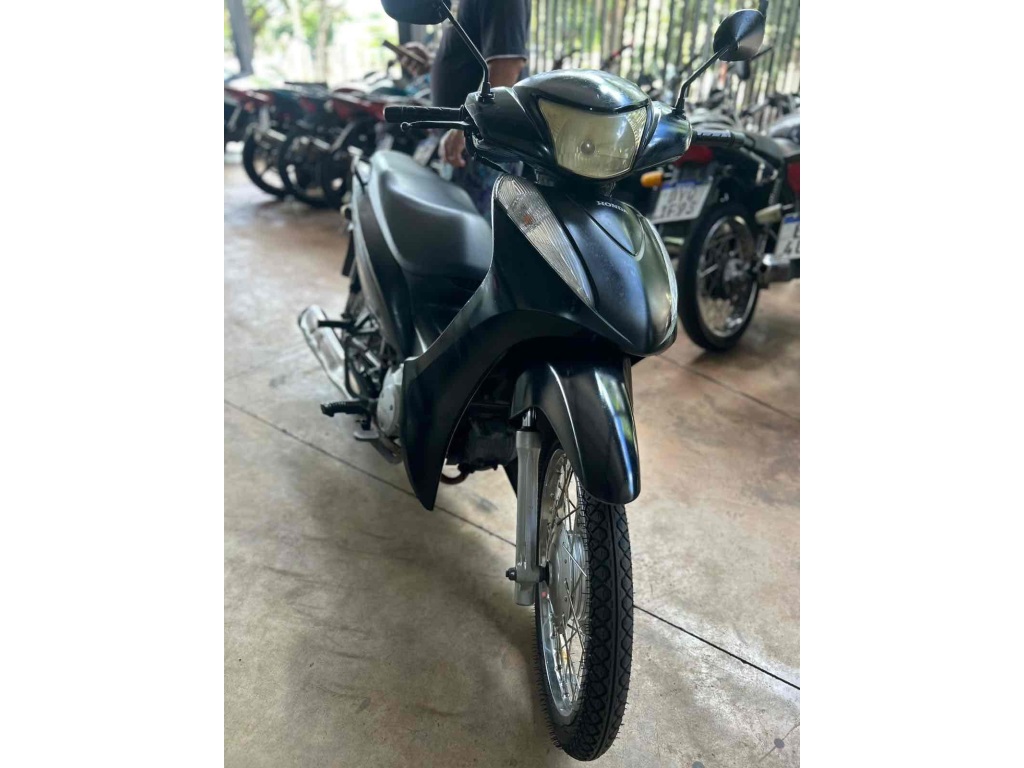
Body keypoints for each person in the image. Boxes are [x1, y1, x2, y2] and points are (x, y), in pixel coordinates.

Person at [430, 0, 531, 215]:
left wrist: (467, 123)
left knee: (477, 231)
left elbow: (506, 66)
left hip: (480, 144)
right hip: (468, 140)